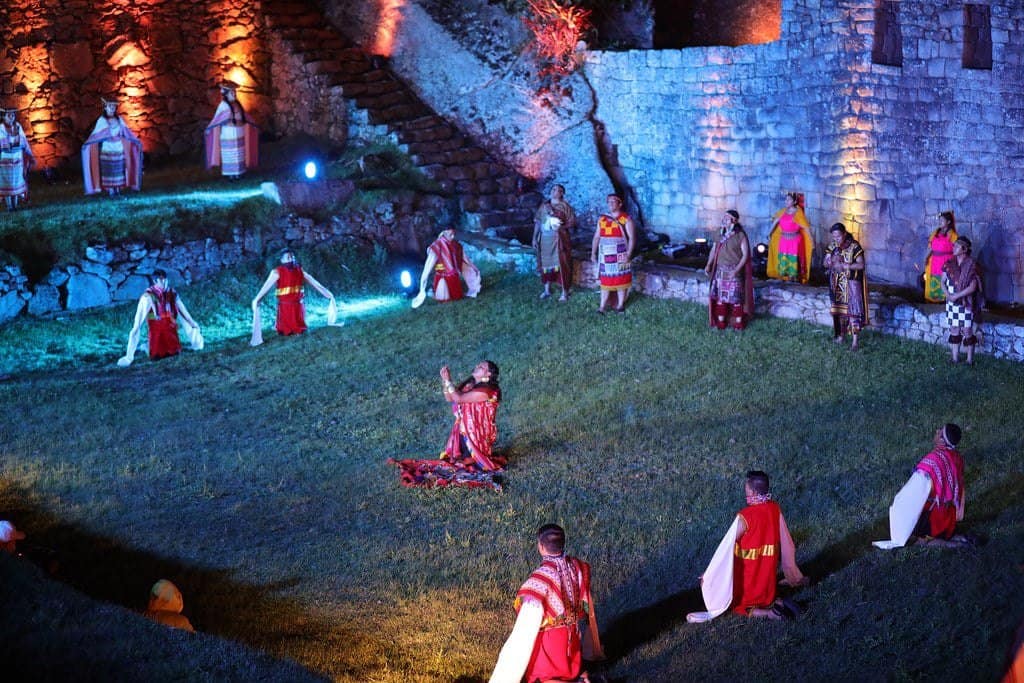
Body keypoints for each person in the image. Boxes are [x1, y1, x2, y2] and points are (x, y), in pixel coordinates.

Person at [687, 471, 807, 623]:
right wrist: (792, 572)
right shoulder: (774, 508)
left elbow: (726, 546)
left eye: (747, 490)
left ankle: (771, 614)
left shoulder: (745, 517)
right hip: (767, 577)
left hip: (749, 575)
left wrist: (710, 572)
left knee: (738, 605)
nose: (746, 493)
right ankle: (779, 603)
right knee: (766, 596)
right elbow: (786, 541)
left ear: (753, 492)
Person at [489, 524, 604, 683]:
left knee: (542, 678)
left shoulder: (539, 581)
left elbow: (524, 629)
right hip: (573, 639)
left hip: (550, 645)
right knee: (567, 672)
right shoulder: (578, 567)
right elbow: (586, 602)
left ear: (541, 547)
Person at [873, 424, 966, 549]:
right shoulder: (957, 458)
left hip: (935, 518)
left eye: (940, 432)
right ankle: (960, 538)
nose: (937, 431)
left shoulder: (933, 460)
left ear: (942, 441)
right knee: (939, 532)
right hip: (949, 517)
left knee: (920, 540)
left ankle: (953, 545)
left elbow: (915, 491)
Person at [117, 269, 202, 367]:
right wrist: (129, 355)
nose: (164, 282)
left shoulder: (172, 293)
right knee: (157, 355)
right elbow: (139, 320)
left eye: (165, 279)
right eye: (161, 280)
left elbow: (183, 311)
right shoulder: (148, 296)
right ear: (155, 281)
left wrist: (192, 323)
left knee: (173, 352)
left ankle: (151, 346)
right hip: (156, 329)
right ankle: (146, 347)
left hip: (170, 328)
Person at [251, 249, 338, 344]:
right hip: (285, 306)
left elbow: (314, 282)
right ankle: (284, 328)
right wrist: (257, 298)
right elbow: (266, 286)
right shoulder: (277, 272)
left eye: (292, 257)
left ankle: (297, 327)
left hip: (298, 305)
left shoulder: (299, 270)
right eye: (288, 257)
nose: (291, 259)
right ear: (282, 260)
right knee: (285, 328)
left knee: (298, 326)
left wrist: (327, 294)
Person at [440, 361, 502, 471]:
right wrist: (445, 381)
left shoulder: (487, 391)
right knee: (458, 461)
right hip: (464, 426)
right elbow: (450, 398)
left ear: (488, 374)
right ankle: (465, 456)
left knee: (467, 463)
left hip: (478, 430)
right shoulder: (470, 384)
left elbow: (459, 399)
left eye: (481, 367)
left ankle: (473, 457)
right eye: (478, 365)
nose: (477, 367)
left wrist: (448, 381)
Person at [81, 97, 143, 197]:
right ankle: (110, 190)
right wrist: (87, 144)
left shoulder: (119, 120)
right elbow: (96, 134)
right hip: (107, 149)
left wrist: (135, 141)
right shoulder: (102, 121)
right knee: (108, 170)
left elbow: (126, 132)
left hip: (118, 148)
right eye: (110, 106)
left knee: (118, 169)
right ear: (105, 108)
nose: (112, 108)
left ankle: (117, 189)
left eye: (114, 106)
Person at [704, 209, 754, 330]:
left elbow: (745, 255)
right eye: (724, 217)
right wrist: (709, 264)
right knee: (721, 298)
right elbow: (713, 250)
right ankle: (721, 322)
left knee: (736, 298)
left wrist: (736, 271)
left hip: (734, 271)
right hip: (720, 270)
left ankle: (738, 323)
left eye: (727, 218)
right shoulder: (719, 233)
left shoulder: (740, 235)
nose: (724, 219)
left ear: (734, 221)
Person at [823, 222, 869, 350]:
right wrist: (829, 261)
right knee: (840, 312)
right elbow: (825, 262)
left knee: (853, 311)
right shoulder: (833, 246)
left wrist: (847, 265)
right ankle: (841, 336)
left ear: (844, 233)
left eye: (838, 236)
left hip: (851, 283)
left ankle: (855, 342)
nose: (836, 239)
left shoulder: (854, 246)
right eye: (834, 237)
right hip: (837, 284)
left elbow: (861, 265)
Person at [411, 228, 481, 308]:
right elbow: (428, 267)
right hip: (442, 277)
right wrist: (423, 284)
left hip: (453, 277)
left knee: (457, 296)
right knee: (444, 298)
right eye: (450, 234)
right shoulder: (437, 246)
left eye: (453, 234)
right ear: (444, 233)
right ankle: (436, 291)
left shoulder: (456, 245)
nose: (453, 236)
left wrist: (473, 268)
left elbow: (463, 259)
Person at [590, 193, 637, 313]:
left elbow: (632, 238)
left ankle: (620, 305)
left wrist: (629, 254)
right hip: (605, 255)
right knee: (605, 280)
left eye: (613, 201)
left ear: (619, 204)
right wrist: (593, 253)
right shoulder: (602, 219)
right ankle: (602, 307)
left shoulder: (626, 219)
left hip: (621, 254)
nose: (610, 204)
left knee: (622, 280)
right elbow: (596, 237)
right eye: (608, 201)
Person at [204, 80, 259, 179]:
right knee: (230, 153)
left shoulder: (237, 105)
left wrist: (249, 124)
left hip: (239, 132)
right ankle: (231, 174)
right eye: (232, 92)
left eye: (235, 92)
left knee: (239, 153)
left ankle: (239, 172)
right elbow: (218, 119)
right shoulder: (223, 106)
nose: (234, 94)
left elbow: (244, 117)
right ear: (226, 94)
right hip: (228, 133)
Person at [943, 236, 984, 365]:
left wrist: (957, 295)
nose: (953, 248)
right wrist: (948, 294)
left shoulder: (972, 265)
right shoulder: (949, 263)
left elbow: (973, 286)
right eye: (954, 245)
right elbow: (942, 282)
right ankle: (955, 358)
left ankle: (969, 360)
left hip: (966, 303)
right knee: (954, 328)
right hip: (951, 302)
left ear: (964, 249)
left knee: (967, 330)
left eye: (956, 246)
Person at [532, 184, 577, 301]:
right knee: (545, 264)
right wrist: (534, 238)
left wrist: (561, 227)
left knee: (563, 264)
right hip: (545, 240)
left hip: (559, 240)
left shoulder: (565, 206)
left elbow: (572, 222)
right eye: (553, 189)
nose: (554, 192)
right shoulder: (544, 206)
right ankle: (546, 289)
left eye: (558, 190)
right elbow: (538, 222)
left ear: (562, 193)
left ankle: (564, 292)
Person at [766, 192, 813, 283]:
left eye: (789, 200)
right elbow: (775, 223)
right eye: (786, 199)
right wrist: (768, 233)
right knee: (783, 258)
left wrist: (811, 240)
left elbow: (806, 227)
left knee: (793, 259)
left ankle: (794, 279)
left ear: (795, 201)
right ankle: (786, 278)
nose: (786, 201)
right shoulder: (782, 212)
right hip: (783, 240)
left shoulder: (798, 213)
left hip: (795, 241)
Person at [0, 106, 35, 211]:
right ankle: (9, 206)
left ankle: (15, 205)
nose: (11, 117)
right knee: (7, 182)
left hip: (17, 158)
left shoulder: (18, 126)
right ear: (4, 117)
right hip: (5, 159)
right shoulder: (1, 128)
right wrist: (9, 143)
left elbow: (23, 140)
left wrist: (29, 154)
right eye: (9, 115)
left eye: (13, 115)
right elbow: (2, 141)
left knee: (16, 181)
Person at [923, 211, 958, 303]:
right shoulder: (936, 232)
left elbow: (956, 249)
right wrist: (926, 257)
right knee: (933, 278)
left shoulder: (952, 235)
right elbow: (931, 246)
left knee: (943, 278)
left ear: (948, 222)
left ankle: (943, 299)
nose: (940, 222)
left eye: (942, 220)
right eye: (940, 220)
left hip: (945, 261)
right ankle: (933, 299)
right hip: (934, 260)